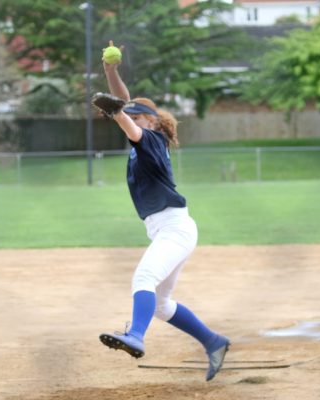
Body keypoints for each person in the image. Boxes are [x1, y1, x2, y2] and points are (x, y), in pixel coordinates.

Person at [97, 41, 230, 382]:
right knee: (160, 304)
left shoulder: (151, 140)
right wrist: (111, 71)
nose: (129, 118)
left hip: (174, 228)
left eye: (137, 116)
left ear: (153, 122)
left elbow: (127, 121)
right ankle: (213, 342)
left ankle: (135, 337)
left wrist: (118, 112)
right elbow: (125, 108)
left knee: (143, 278)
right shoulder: (146, 141)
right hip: (167, 229)